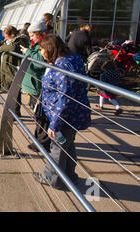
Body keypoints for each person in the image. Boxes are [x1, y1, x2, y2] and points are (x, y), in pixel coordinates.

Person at [32, 34, 91, 189]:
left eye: (42, 49)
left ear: (50, 49)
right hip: (74, 114)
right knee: (68, 146)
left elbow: (64, 98)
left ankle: (50, 178)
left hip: (65, 117)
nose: (41, 52)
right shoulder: (74, 60)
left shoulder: (61, 67)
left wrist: (55, 124)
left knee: (57, 148)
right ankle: (70, 177)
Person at [19, 18, 51, 152]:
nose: (30, 37)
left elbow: (39, 61)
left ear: (39, 33)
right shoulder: (37, 43)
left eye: (32, 35)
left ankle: (42, 143)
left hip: (37, 85)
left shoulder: (44, 44)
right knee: (38, 115)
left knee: (41, 116)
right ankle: (39, 141)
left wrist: (27, 51)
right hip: (33, 85)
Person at [0, 26, 29, 92]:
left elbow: (12, 48)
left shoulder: (19, 40)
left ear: (12, 34)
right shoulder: (9, 41)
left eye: (7, 36)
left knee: (15, 88)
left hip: (14, 68)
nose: (6, 38)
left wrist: (0, 48)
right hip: (8, 68)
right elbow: (6, 45)